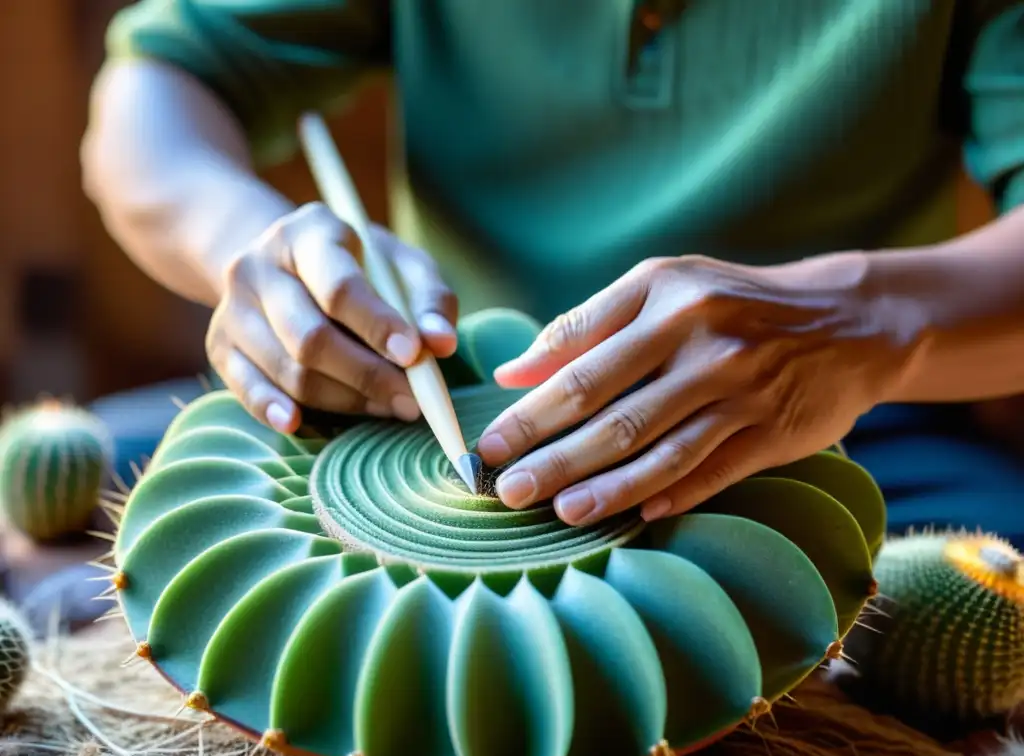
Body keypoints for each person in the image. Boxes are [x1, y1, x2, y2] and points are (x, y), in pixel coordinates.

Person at [82, 0, 1024, 543]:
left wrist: (858, 320)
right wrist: (246, 243)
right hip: (426, 402)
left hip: (844, 433)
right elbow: (158, 85)